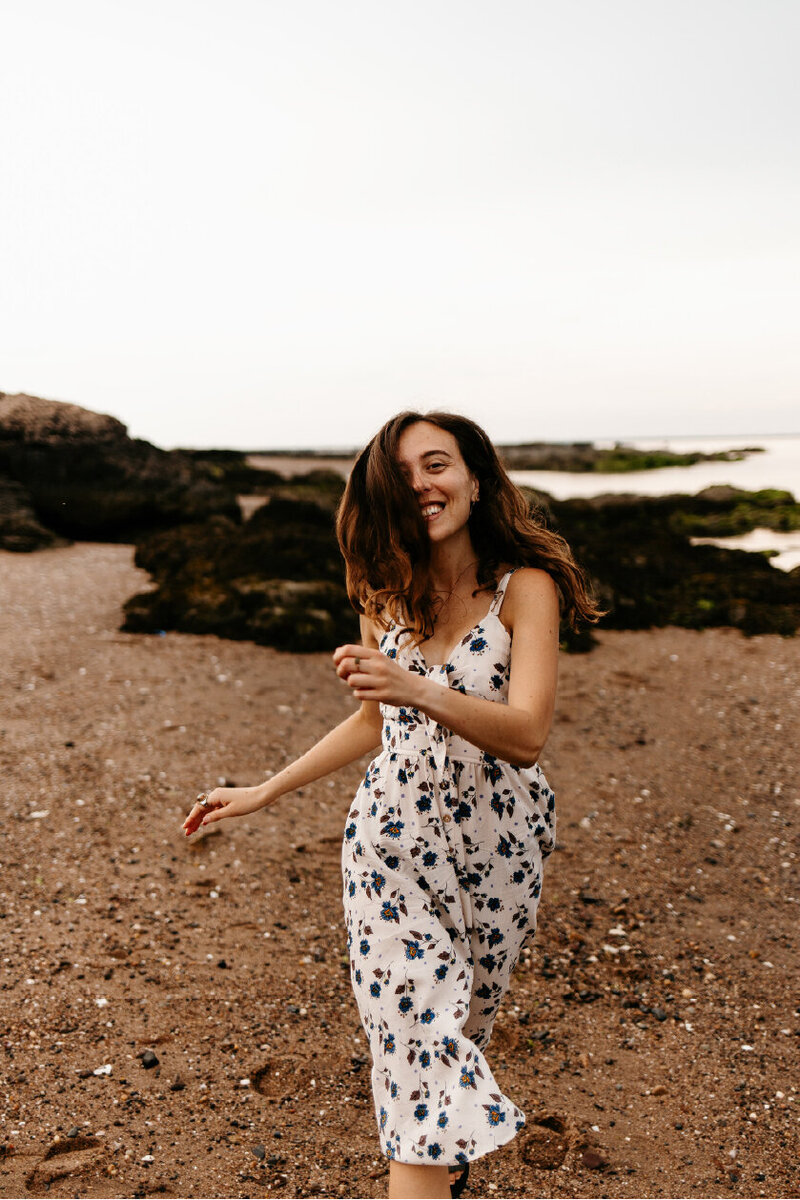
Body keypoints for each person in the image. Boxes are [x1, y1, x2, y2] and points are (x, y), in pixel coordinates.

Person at [182, 411, 601, 1199]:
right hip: (389, 845)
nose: (422, 488)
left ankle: (440, 1171)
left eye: (436, 466)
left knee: (456, 1033)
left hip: (499, 848)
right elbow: (375, 724)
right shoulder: (384, 596)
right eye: (401, 479)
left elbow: (527, 734)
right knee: (414, 1043)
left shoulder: (526, 590)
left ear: (476, 479)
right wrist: (265, 789)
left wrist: (415, 687)